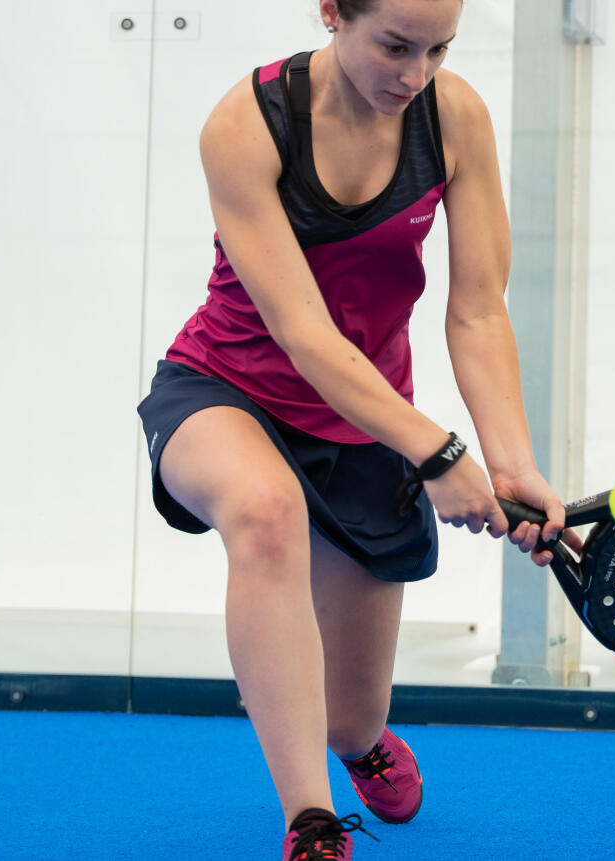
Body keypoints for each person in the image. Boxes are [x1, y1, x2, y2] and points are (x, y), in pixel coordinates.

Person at [135, 1, 570, 857]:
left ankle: (357, 742)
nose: (415, 75)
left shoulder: (454, 119)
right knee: (264, 512)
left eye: (439, 50)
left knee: (349, 711)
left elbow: (479, 310)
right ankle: (312, 821)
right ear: (332, 13)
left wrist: (510, 465)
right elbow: (305, 334)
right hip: (224, 388)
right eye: (395, 46)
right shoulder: (246, 125)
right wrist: (439, 450)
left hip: (367, 422)